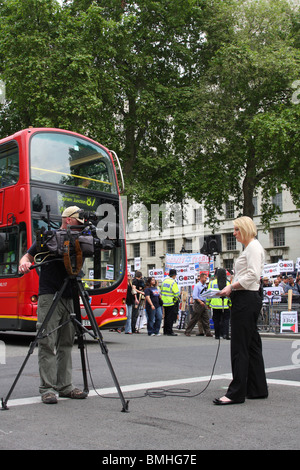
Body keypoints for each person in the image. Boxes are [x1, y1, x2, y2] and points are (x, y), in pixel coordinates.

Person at [18, 206, 88, 404]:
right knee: (47, 341)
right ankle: (47, 389)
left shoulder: (82, 238)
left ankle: (65, 386)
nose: (82, 224)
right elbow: (27, 256)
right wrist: (24, 264)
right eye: (78, 220)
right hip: (50, 293)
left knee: (66, 341)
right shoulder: (49, 236)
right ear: (68, 220)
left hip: (70, 293)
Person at [213, 216, 268, 405]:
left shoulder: (252, 248)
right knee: (252, 345)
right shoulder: (253, 247)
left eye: (236, 229)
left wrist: (231, 287)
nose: (234, 233)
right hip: (248, 298)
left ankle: (236, 393)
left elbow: (253, 274)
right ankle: (257, 388)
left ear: (244, 229)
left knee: (240, 346)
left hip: (245, 299)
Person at [185, 272, 213, 337]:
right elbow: (195, 296)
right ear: (202, 278)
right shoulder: (197, 286)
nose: (206, 279)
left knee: (206, 318)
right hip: (198, 304)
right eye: (205, 278)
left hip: (204, 303)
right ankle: (188, 331)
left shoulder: (205, 286)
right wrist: (200, 302)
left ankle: (207, 332)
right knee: (195, 318)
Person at [206, 271, 231, 340]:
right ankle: (225, 334)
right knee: (226, 320)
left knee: (216, 320)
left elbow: (209, 294)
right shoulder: (227, 283)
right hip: (225, 305)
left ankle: (217, 335)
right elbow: (229, 295)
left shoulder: (212, 283)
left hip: (215, 305)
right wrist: (230, 304)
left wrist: (207, 303)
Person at [161, 269, 180, 336]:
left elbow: (161, 291)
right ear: (174, 275)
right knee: (170, 317)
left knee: (165, 317)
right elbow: (176, 293)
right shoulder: (173, 282)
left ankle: (165, 331)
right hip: (170, 302)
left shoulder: (164, 281)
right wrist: (175, 300)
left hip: (164, 301)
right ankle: (169, 331)